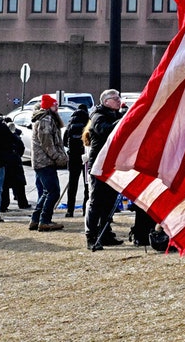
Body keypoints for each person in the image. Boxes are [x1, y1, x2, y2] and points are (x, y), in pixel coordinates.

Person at [84, 89, 126, 251]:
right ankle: (91, 236)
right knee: (96, 201)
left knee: (109, 201)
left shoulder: (115, 114)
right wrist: (124, 120)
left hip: (112, 164)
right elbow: (106, 130)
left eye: (118, 97)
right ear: (106, 101)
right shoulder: (97, 115)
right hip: (99, 165)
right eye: (114, 98)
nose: (118, 100)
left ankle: (105, 233)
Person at [29, 95, 67, 232]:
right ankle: (44, 221)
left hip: (42, 161)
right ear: (47, 106)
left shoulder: (46, 118)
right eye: (54, 105)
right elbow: (47, 144)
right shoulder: (45, 120)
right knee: (53, 192)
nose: (57, 107)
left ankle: (35, 219)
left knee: (47, 191)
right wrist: (58, 157)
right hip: (44, 162)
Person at [62, 103, 90, 217]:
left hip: (73, 157)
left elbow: (64, 141)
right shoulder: (88, 122)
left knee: (72, 184)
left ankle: (70, 210)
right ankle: (85, 210)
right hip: (85, 157)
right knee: (87, 185)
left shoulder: (70, 124)